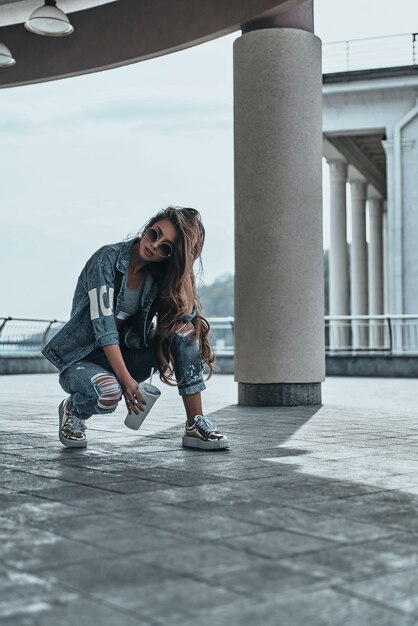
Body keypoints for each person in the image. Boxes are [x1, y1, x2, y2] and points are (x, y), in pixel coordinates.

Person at [42, 206, 229, 451]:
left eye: (165, 247)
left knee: (183, 332)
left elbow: (186, 315)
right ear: (147, 228)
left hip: (128, 353)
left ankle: (195, 423)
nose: (154, 245)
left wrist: (183, 269)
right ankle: (73, 409)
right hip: (84, 359)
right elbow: (104, 326)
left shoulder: (158, 273)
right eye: (154, 234)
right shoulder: (106, 259)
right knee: (108, 394)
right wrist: (127, 381)